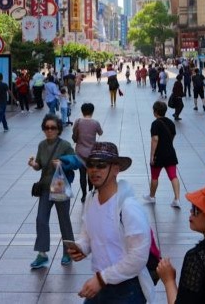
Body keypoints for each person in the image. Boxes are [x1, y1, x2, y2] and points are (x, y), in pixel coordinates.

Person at [67, 142, 153, 303]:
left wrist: (101, 279)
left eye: (101, 165)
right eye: (91, 165)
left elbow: (138, 258)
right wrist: (80, 247)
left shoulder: (128, 208)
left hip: (126, 290)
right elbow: (87, 235)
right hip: (100, 283)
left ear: (116, 169)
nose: (94, 170)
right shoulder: (91, 199)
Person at [28, 113, 76, 270]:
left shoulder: (65, 145)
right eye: (46, 128)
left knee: (64, 221)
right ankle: (42, 254)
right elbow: (40, 165)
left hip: (60, 185)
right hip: (45, 187)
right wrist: (34, 164)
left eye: (53, 128)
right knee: (41, 219)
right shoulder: (42, 145)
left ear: (59, 129)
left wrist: (62, 164)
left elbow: (76, 163)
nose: (49, 131)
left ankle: (68, 252)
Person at [144, 101, 180, 208]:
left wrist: (152, 156)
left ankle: (152, 197)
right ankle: (177, 199)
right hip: (170, 153)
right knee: (173, 176)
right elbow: (173, 136)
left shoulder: (155, 124)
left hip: (158, 154)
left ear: (155, 111)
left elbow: (155, 139)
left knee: (155, 176)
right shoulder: (171, 123)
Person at [73, 102, 103, 202]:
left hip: (80, 153)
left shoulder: (78, 122)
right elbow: (101, 133)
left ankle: (84, 195)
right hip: (91, 153)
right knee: (92, 173)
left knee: (82, 175)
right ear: (92, 111)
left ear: (82, 111)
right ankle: (91, 192)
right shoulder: (95, 122)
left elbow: (74, 136)